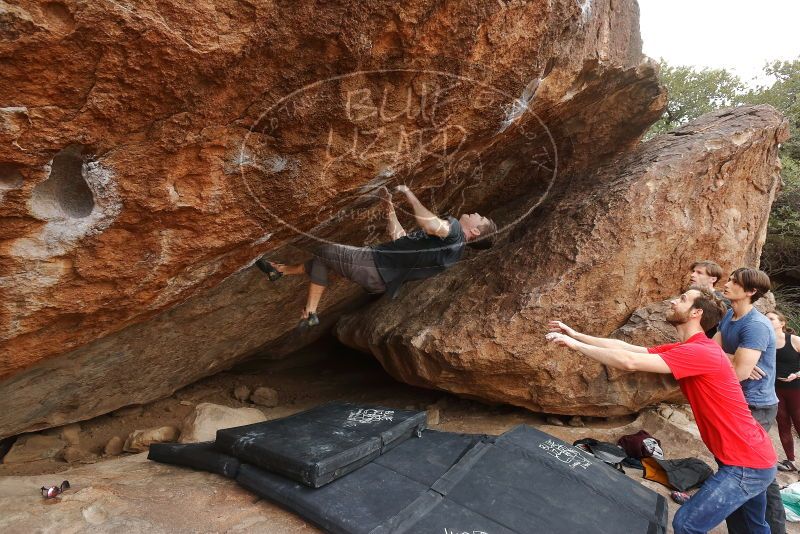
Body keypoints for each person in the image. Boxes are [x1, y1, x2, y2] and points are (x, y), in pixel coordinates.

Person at [546, 287, 777, 534]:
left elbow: (629, 363)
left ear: (696, 313)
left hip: (746, 463)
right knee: (752, 528)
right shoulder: (690, 348)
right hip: (751, 458)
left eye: (683, 299)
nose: (674, 302)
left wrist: (573, 345)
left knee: (686, 524)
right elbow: (627, 349)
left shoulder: (700, 352)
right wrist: (576, 335)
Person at [255, 185, 497, 326]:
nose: (476, 213)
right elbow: (400, 239)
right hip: (378, 275)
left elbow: (431, 225)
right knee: (324, 260)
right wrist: (389, 208)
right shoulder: (452, 251)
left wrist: (409, 194)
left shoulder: (454, 232)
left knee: (325, 251)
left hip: (372, 265)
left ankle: (310, 311)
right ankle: (281, 271)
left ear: (474, 231)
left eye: (480, 218)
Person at [713, 267, 784, 534]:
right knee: (743, 469)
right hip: (738, 400)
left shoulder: (755, 325)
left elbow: (740, 374)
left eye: (734, 282)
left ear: (751, 292)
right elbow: (712, 349)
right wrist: (733, 358)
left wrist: (736, 362)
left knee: (747, 472)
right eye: (730, 279)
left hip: (756, 405)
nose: (727, 283)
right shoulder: (730, 314)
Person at [767, 310, 800, 472]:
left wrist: (797, 375)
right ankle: (791, 461)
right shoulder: (765, 341)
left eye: (772, 319)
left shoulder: (794, 340)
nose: (768, 321)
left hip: (796, 390)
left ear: (782, 323)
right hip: (775, 390)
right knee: (783, 424)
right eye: (766, 319)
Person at [686, 259, 728, 337]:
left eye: (699, 273)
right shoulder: (689, 295)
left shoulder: (721, 301)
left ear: (713, 279)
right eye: (693, 271)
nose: (692, 275)